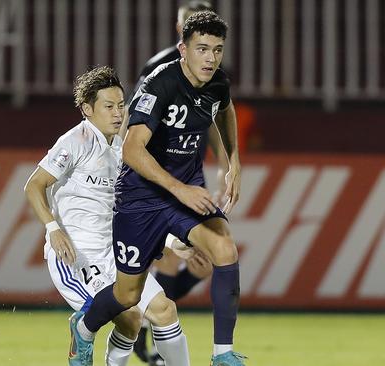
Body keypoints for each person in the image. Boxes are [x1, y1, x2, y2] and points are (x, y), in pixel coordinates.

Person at [71, 11, 247, 366]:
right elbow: (132, 150)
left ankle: (222, 353)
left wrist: (233, 161)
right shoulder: (159, 84)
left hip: (185, 192)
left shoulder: (218, 83)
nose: (211, 58)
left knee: (225, 249)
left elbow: (224, 109)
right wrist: (179, 189)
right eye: (202, 49)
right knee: (126, 294)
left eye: (217, 49)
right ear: (182, 48)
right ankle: (84, 328)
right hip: (141, 198)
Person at [24, 66, 190, 366]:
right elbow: (34, 185)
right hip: (76, 254)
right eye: (109, 106)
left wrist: (171, 240)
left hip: (114, 252)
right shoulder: (76, 141)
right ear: (87, 109)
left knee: (163, 311)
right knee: (129, 316)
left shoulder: (125, 150)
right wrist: (52, 228)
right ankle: (83, 329)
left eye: (121, 105)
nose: (117, 113)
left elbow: (134, 211)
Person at [124, 2, 221, 364]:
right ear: (179, 31)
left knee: (177, 256)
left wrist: (225, 161)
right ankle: (139, 332)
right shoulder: (159, 68)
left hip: (183, 172)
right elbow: (135, 119)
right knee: (159, 255)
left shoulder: (210, 73)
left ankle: (147, 336)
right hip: (155, 172)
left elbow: (209, 118)